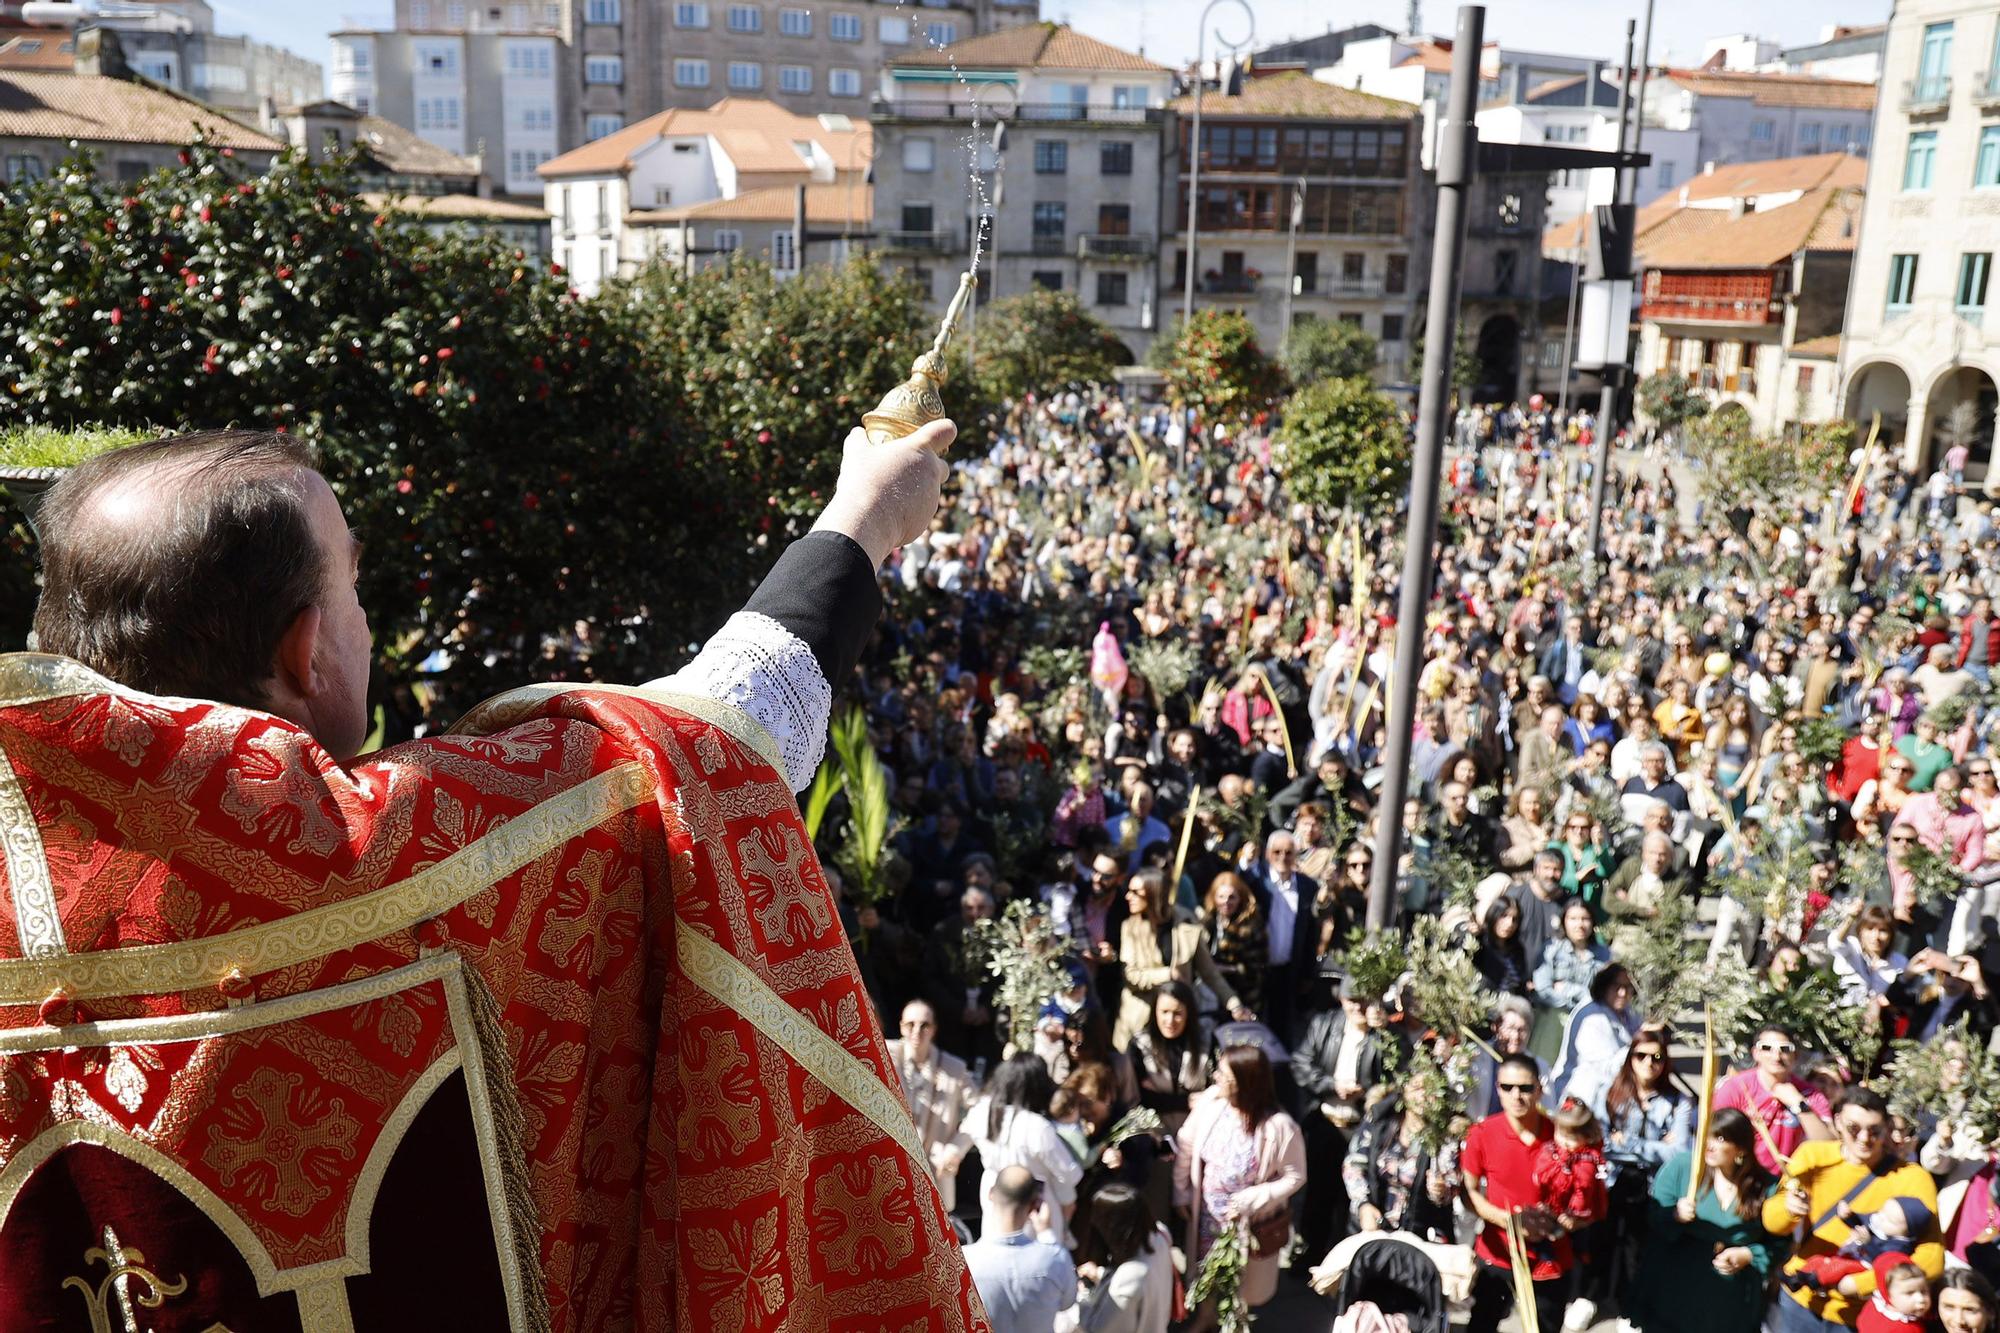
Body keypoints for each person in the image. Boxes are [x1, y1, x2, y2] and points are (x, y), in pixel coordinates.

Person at [0, 423, 982, 1328]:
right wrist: (864, 517)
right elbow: (703, 747)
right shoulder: (393, 862)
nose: (367, 624)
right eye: (352, 586)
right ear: (305, 653)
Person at [1765, 1086, 1944, 1332]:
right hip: (1800, 1297)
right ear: (1837, 1121)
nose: (1863, 1138)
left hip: (1862, 1314)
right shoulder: (1813, 1155)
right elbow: (1773, 1223)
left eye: (1874, 1130)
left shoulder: (1912, 1178)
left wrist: (1860, 1283)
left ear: (1887, 1128)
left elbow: (1932, 1259)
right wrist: (1789, 1209)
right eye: (1853, 1128)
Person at [1173, 1044, 1306, 1327]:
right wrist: (1181, 1190)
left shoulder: (1279, 1127)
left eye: (1224, 1076)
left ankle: (1236, 1322)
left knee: (1240, 1282)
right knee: (1207, 1270)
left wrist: (1257, 1197)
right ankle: (1208, 1317)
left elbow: (1295, 1176)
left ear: (1246, 1083)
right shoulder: (1212, 1104)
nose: (1216, 1080)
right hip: (1208, 1217)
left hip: (1247, 1225)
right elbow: (1186, 1144)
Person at [1626, 1107, 1783, 1333]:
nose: (1709, 1144)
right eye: (1706, 1135)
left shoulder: (1765, 1186)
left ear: (1740, 1147)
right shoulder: (1683, 1167)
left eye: (1719, 1138)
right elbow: (1653, 1216)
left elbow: (1780, 1241)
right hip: (1675, 1286)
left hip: (1728, 1301)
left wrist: (1748, 1254)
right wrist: (1674, 1215)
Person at [1461, 1053, 1566, 1333]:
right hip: (1498, 1253)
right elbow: (1468, 1192)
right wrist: (1509, 1221)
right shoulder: (1482, 1133)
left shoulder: (1562, 1136)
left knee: (1544, 1326)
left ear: (1540, 1089)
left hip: (1549, 1255)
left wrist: (1556, 1218)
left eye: (1525, 1088)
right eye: (1507, 1087)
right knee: (1482, 1323)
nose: (1516, 1096)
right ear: (1497, 1088)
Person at [951, 1054, 1086, 1247]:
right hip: (1035, 1203)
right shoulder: (1036, 1126)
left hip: (994, 1193)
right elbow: (1068, 1173)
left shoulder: (982, 1112)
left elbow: (960, 1137)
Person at [1114, 867, 1250, 1048]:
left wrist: (1234, 1005)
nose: (1128, 896)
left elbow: (1209, 973)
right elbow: (1130, 976)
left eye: (1135, 892)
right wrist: (1168, 974)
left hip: (1178, 1018)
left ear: (1153, 894)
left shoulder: (1186, 920)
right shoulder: (1130, 927)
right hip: (1141, 1018)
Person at [962, 1165, 1079, 1333]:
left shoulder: (965, 1260)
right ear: (1034, 1205)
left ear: (991, 1194)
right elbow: (1067, 1302)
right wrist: (1047, 1234)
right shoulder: (1055, 1258)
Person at [890, 999, 980, 1212]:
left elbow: (980, 1109)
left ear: (934, 1030)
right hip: (893, 1168)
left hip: (934, 1171)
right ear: (901, 1026)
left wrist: (955, 1148)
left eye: (924, 1025)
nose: (917, 1031)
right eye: (910, 1024)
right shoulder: (886, 1055)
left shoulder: (953, 1068)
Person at [1714, 1023, 1836, 1175]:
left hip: (1791, 1181)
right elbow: (1714, 1136)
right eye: (1767, 1048)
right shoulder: (1735, 1088)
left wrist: (1798, 1104)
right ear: (1755, 1053)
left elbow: (1829, 1145)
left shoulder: (1809, 1093)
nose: (1776, 1056)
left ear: (1795, 1056)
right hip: (1745, 1178)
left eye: (1785, 1049)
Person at [1066, 1183, 1176, 1333]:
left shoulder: (1129, 1278)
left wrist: (1079, 1296)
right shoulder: (1160, 1237)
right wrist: (1101, 1274)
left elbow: (1098, 1329)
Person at [1126, 980, 1214, 1135]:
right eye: (1164, 1012)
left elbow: (1214, 1091)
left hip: (1198, 1131)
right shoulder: (1140, 1045)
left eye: (1178, 1013)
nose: (1170, 1021)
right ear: (1155, 1012)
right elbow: (1140, 1097)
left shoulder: (1206, 1042)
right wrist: (1186, 1101)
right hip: (1155, 1135)